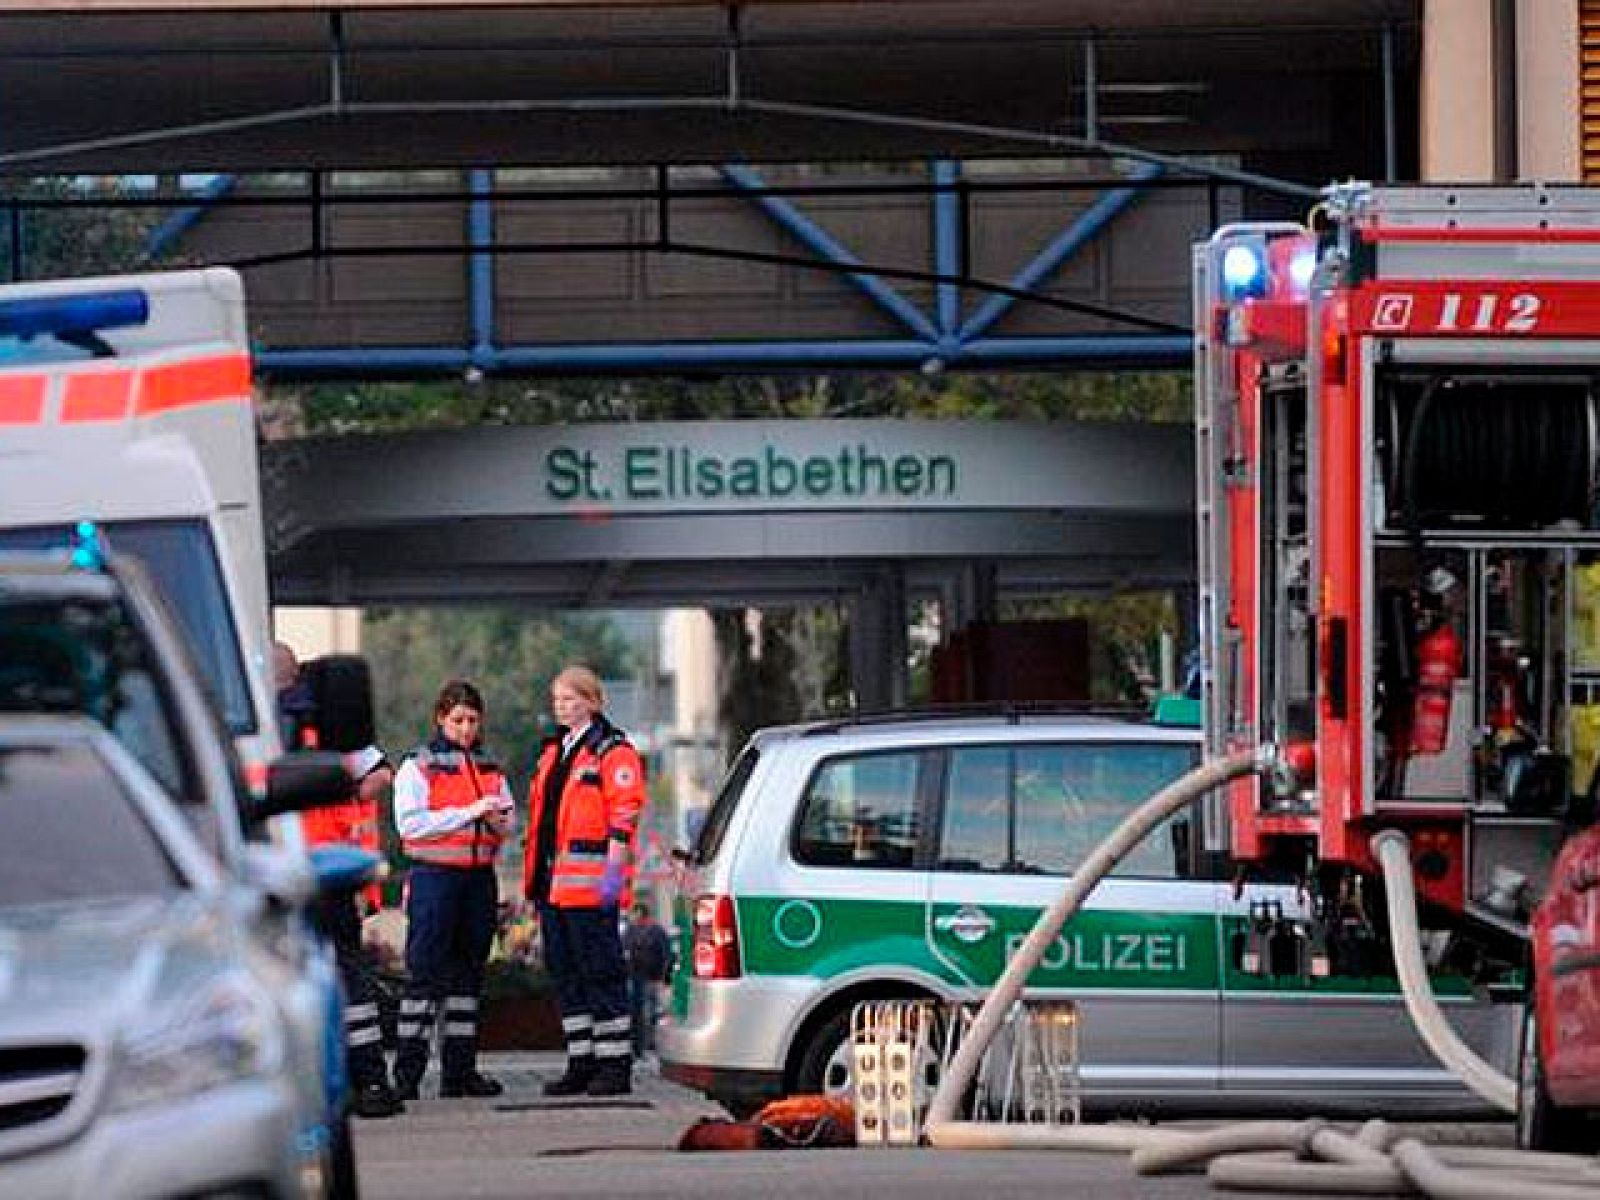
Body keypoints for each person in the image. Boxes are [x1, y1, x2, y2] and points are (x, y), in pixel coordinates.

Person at [275, 641, 405, 1118]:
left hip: (301, 870)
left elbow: (380, 772)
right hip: (322, 868)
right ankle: (366, 1079)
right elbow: (379, 771)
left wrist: (344, 791)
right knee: (344, 974)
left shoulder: (299, 723)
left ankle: (358, 1079)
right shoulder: (322, 720)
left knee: (331, 975)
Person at [524, 665, 647, 1097]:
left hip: (592, 887)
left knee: (602, 974)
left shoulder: (613, 751)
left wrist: (612, 886)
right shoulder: (555, 752)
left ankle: (614, 1066)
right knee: (566, 974)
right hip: (554, 887)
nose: (562, 706)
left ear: (593, 702)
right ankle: (582, 1061)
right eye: (557, 699)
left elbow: (624, 817)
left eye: (571, 699)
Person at [392, 679, 514, 1100]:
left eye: (473, 720)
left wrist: (501, 822)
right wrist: (469, 813)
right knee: (423, 976)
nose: (466, 728)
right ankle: (406, 1075)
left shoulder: (489, 767)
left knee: (468, 977)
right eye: (459, 719)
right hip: (435, 877)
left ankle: (460, 1073)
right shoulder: (418, 766)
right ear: (441, 719)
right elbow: (410, 825)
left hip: (478, 878)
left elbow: (507, 820)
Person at [623, 902, 674, 1058]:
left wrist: (663, 976)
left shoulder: (655, 931)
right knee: (638, 1011)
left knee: (648, 1012)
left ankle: (645, 1044)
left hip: (650, 977)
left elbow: (665, 954)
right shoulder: (631, 931)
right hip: (636, 976)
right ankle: (638, 1046)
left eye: (635, 914)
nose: (634, 918)